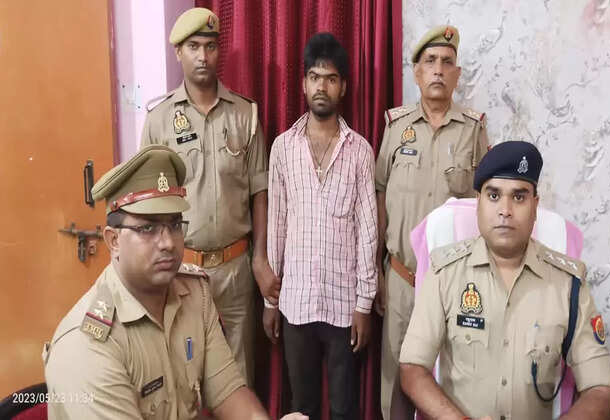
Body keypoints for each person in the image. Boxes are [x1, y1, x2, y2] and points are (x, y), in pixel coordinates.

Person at [43, 145, 306, 420]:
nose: (168, 242)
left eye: (174, 225)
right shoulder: (88, 345)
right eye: (148, 228)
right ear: (114, 240)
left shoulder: (195, 292)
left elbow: (228, 391)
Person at [399, 141, 610, 420]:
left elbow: (601, 390)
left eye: (519, 197)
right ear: (478, 203)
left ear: (535, 206)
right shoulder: (445, 273)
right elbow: (412, 369)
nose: (505, 210)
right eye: (493, 195)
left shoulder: (568, 284)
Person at [140, 7, 276, 384]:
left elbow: (260, 191)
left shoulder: (244, 114)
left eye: (210, 46)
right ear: (178, 53)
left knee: (239, 378)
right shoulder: (159, 120)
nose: (203, 56)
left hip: (236, 271)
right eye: (194, 47)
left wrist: (260, 258)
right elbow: (148, 202)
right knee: (184, 377)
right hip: (181, 270)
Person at [374, 24, 489, 420]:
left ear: (457, 75)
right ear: (417, 72)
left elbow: (483, 206)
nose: (438, 69)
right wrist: (378, 268)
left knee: (447, 380)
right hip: (401, 280)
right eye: (430, 61)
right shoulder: (396, 126)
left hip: (451, 284)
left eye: (447, 62)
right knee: (395, 378)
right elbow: (379, 193)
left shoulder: (474, 129)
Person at [265, 32, 378, 420]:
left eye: (330, 79)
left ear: (342, 87)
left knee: (345, 408)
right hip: (295, 303)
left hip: (344, 304)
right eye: (314, 77)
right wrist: (271, 302)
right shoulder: (283, 148)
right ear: (303, 84)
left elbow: (368, 231)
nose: (321, 87)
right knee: (303, 407)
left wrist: (364, 305)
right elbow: (276, 226)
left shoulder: (360, 150)